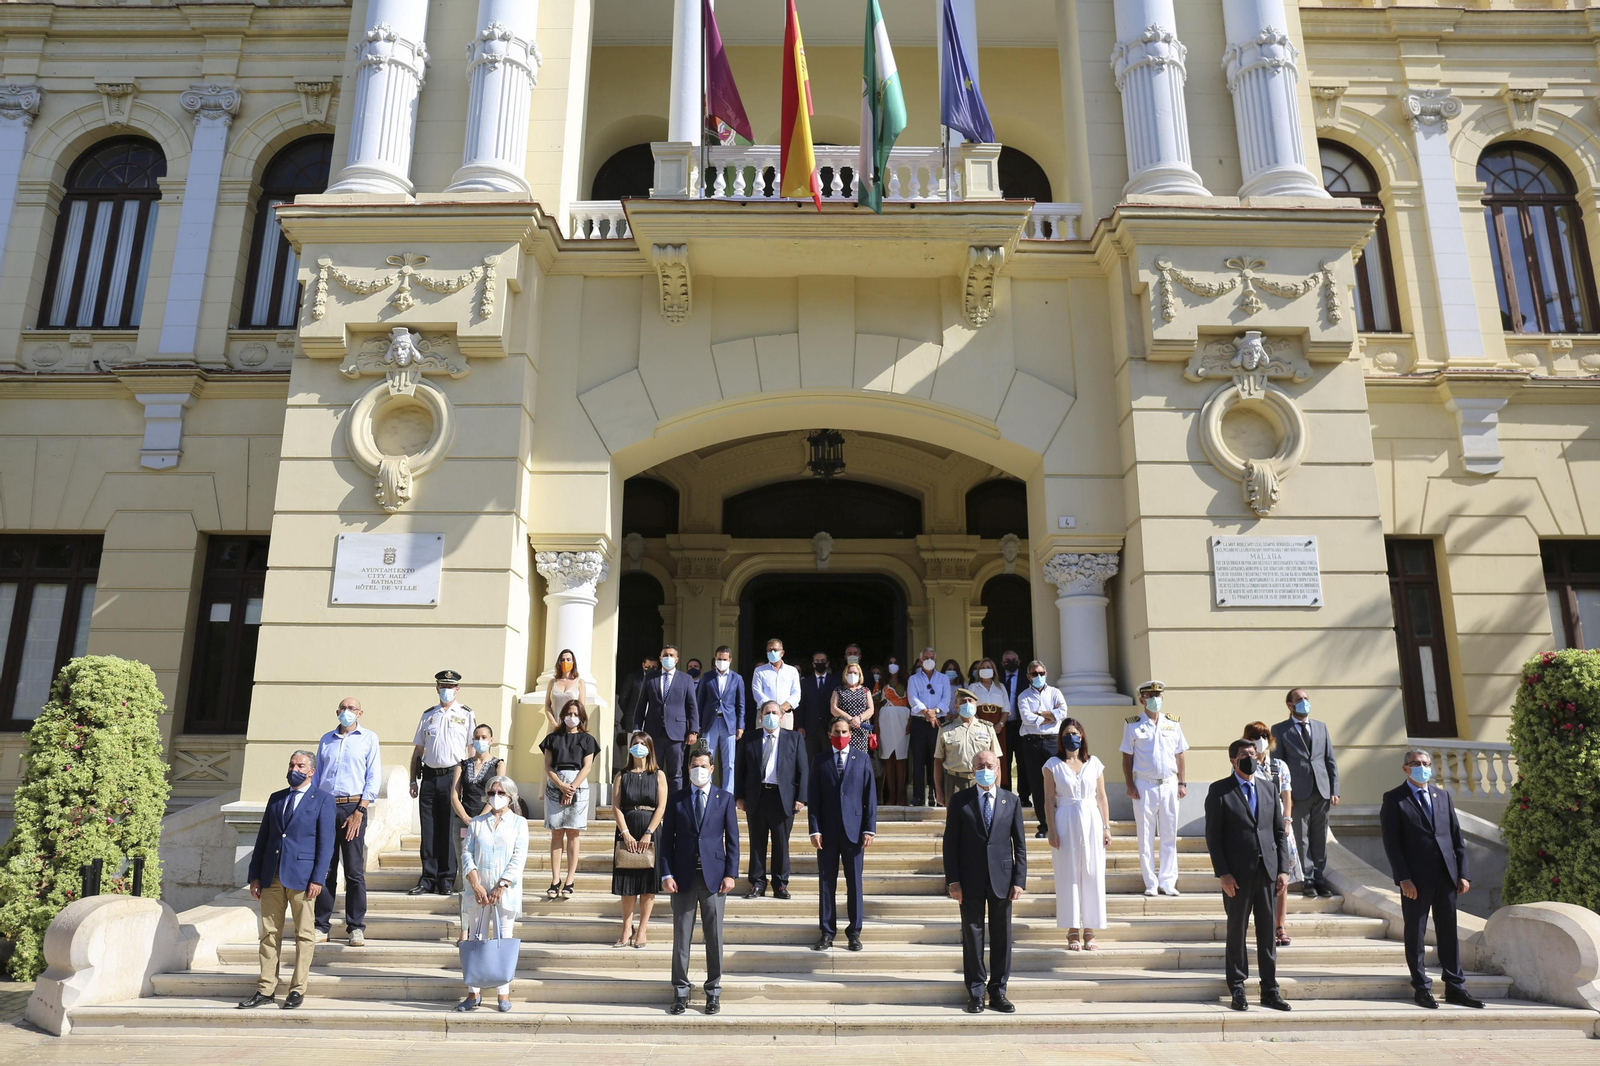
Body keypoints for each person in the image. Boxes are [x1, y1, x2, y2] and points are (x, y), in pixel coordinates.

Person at [1380, 749, 1484, 1010]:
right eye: (1416, 763)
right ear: (1406, 768)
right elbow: (1392, 844)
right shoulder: (1394, 799)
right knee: (1415, 932)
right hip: (1415, 880)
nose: (1422, 768)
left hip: (1446, 877)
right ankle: (1422, 987)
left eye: (1426, 764)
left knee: (1448, 931)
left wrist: (1463, 873)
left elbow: (1456, 838)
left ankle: (1455, 986)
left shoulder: (1442, 796)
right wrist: (1404, 878)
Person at [238, 750, 336, 1010]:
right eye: (292, 764)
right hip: (272, 875)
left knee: (304, 934)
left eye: (300, 765)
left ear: (311, 771)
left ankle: (297, 989)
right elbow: (263, 839)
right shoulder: (276, 798)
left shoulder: (323, 800)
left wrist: (318, 878)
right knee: (269, 933)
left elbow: (326, 844)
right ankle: (266, 988)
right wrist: (255, 875)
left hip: (303, 878)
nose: (295, 768)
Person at [1204, 739, 1293, 1013]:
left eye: (1253, 754)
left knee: (1267, 934)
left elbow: (1279, 832)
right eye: (1243, 754)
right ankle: (1238, 988)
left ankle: (1270, 990)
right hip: (1237, 876)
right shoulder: (1220, 791)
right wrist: (1224, 874)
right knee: (1237, 931)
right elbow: (1213, 837)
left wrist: (1282, 869)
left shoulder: (1268, 788)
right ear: (1233, 760)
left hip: (1266, 873)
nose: (1249, 758)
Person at [943, 750, 1026, 1014]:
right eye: (980, 765)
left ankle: (998, 990)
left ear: (999, 767)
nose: (985, 769)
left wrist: (1019, 879)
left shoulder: (1011, 801)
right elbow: (950, 844)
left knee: (1002, 936)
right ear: (972, 769)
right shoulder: (960, 801)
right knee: (973, 936)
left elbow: (1020, 845)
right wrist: (953, 881)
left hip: (1002, 879)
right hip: (970, 879)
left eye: (989, 765)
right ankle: (976, 991)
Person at [660, 749, 739, 1016]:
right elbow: (665, 841)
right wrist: (666, 873)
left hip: (714, 879)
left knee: (714, 937)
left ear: (712, 768)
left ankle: (713, 991)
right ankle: (680, 991)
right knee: (681, 938)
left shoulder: (724, 799)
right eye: (694, 765)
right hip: (682, 878)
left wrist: (731, 873)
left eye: (703, 765)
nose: (698, 769)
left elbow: (733, 841)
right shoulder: (677, 799)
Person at [455, 775, 528, 1013]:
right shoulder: (476, 822)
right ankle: (472, 992)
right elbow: (467, 854)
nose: (496, 797)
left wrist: (502, 885)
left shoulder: (519, 823)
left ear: (510, 796)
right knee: (475, 939)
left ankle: (503, 993)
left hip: (505, 892)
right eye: (492, 793)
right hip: (478, 891)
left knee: (503, 939)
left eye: (501, 793)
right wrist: (476, 884)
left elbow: (519, 857)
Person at [313, 695, 380, 947]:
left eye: (352, 708)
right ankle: (321, 925)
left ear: (360, 713)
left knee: (353, 871)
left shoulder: (369, 739)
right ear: (336, 711)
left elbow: (373, 777)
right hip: (326, 806)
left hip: (353, 807)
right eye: (343, 707)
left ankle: (355, 927)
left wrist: (360, 810)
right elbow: (317, 776)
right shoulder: (326, 740)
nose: (347, 711)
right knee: (326, 867)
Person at [809, 717, 877, 952]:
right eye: (836, 731)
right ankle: (827, 932)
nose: (841, 735)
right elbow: (814, 799)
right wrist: (814, 829)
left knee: (854, 884)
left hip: (854, 832)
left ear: (850, 733)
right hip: (827, 833)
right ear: (830, 734)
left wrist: (869, 829)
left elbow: (870, 797)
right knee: (827, 883)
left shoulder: (862, 759)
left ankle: (854, 933)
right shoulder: (820, 760)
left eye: (844, 731)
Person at [1044, 719, 1110, 950]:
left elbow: (1101, 797)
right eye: (1066, 733)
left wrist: (1106, 826)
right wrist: (1051, 829)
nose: (1071, 736)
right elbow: (1049, 800)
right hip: (1066, 819)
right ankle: (1072, 930)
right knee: (1069, 874)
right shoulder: (1053, 764)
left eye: (1075, 732)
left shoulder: (1094, 763)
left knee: (1092, 873)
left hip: (1092, 819)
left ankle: (1090, 929)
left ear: (1082, 736)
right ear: (1061, 738)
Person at [409, 669, 476, 895]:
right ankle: (427, 878)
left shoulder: (466, 714)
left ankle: (447, 878)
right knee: (428, 829)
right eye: (443, 686)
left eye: (451, 687)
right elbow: (418, 750)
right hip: (429, 776)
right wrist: (412, 780)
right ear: (437, 688)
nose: (446, 690)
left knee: (449, 829)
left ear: (457, 689)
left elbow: (471, 749)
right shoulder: (428, 715)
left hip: (453, 777)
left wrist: (469, 781)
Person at [1120, 680, 1189, 896]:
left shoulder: (1173, 723)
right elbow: (1126, 757)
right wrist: (1129, 784)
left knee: (1169, 835)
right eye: (1150, 696)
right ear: (1142, 700)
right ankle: (1150, 882)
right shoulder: (1132, 724)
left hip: (1169, 783)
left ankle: (1168, 881)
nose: (1155, 700)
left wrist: (1182, 782)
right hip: (1144, 785)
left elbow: (1180, 755)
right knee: (1145, 835)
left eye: (1158, 696)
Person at [735, 700, 808, 899]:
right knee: (757, 841)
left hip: (782, 797)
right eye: (767, 712)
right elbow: (740, 769)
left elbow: (803, 769)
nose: (771, 715)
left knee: (781, 842)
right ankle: (757, 883)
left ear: (782, 716)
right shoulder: (749, 738)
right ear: (760, 716)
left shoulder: (794, 738)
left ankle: (780, 884)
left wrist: (801, 797)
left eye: (775, 712)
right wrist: (739, 796)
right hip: (756, 797)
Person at [1272, 688, 1340, 900]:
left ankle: (1320, 877)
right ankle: (1307, 879)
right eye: (1299, 699)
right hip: (1297, 792)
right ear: (1290, 705)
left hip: (1322, 790)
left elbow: (1330, 760)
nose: (1304, 702)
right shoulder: (1280, 729)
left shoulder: (1320, 727)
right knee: (1301, 838)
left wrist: (1334, 789)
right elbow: (1278, 765)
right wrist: (1281, 795)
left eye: (1306, 699)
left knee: (1319, 836)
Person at [1243, 721, 1300, 946]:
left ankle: (1280, 926)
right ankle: (1261, 926)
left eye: (1265, 735)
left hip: (1280, 826)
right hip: (1257, 826)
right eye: (1256, 736)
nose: (1261, 740)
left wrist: (1287, 820)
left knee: (1282, 877)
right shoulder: (1243, 764)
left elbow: (1286, 795)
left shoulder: (1279, 765)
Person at [612, 731, 668, 948]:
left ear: (650, 748)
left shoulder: (658, 775)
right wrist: (625, 832)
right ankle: (627, 928)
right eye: (635, 743)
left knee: (647, 885)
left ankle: (642, 930)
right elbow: (616, 806)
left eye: (642, 744)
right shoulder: (621, 775)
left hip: (650, 829)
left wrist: (648, 832)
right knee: (627, 884)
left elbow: (661, 806)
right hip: (627, 829)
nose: (638, 747)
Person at [540, 699, 600, 900]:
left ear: (581, 717)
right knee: (556, 833)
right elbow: (548, 766)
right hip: (556, 783)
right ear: (562, 715)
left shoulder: (587, 739)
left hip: (578, 785)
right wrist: (561, 786)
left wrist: (572, 787)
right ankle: (555, 878)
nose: (571, 717)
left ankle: (570, 879)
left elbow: (587, 767)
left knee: (573, 833)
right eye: (568, 713)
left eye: (576, 714)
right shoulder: (552, 738)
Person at [635, 644, 699, 792]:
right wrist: (637, 728)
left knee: (675, 773)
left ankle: (674, 807)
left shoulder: (686, 679)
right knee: (651, 771)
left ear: (677, 659)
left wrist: (693, 731)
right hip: (653, 732)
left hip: (677, 734)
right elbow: (641, 704)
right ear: (660, 658)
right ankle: (653, 804)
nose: (668, 658)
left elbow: (692, 706)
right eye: (665, 655)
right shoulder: (650, 678)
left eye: (671, 655)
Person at [1017, 660, 1068, 838]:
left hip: (1053, 741)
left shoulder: (1055, 692)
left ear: (1045, 674)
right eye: (1034, 674)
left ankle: (1061, 823)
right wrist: (1050, 715)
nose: (1038, 676)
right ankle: (1044, 825)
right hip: (1032, 743)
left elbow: (1063, 713)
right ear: (1028, 676)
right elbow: (1026, 718)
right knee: (1038, 785)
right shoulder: (1023, 696)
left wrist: (1039, 713)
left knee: (1060, 782)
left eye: (1041, 673)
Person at [452, 723, 504, 891]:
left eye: (483, 737)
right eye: (476, 738)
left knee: (486, 866)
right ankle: (464, 915)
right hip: (463, 821)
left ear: (491, 740)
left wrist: (480, 819)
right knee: (464, 868)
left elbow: (498, 793)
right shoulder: (463, 765)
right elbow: (454, 795)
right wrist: (466, 818)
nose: (479, 741)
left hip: (488, 821)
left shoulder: (498, 764)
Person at [934, 688, 1002, 805]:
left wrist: (997, 789)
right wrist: (939, 791)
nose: (967, 704)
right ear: (956, 707)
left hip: (981, 781)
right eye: (963, 702)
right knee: (955, 822)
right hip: (954, 781)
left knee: (981, 820)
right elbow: (938, 761)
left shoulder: (987, 728)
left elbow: (997, 761)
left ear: (976, 705)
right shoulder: (945, 729)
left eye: (970, 701)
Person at [697, 646, 746, 790]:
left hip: (728, 723)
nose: (721, 662)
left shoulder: (737, 678)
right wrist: (698, 724)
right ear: (715, 659)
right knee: (706, 759)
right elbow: (700, 702)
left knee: (729, 762)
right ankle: (707, 791)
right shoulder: (707, 677)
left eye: (724, 659)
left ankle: (728, 794)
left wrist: (740, 726)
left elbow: (740, 704)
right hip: (709, 723)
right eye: (719, 659)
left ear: (730, 660)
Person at [907, 647, 951, 806]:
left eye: (932, 657)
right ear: (920, 660)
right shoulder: (913, 679)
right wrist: (927, 712)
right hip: (919, 722)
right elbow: (913, 699)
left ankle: (937, 795)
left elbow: (946, 699)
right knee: (918, 760)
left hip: (938, 722)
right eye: (926, 657)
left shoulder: (943, 678)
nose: (929, 660)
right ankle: (918, 796)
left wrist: (935, 712)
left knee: (937, 759)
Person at [968, 658, 1012, 788]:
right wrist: (981, 724)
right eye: (983, 667)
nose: (986, 669)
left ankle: (1000, 785)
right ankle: (980, 784)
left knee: (999, 756)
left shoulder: (1000, 687)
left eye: (989, 667)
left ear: (993, 670)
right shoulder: (973, 687)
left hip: (998, 725)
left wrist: (1000, 724)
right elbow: (971, 708)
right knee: (981, 755)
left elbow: (1006, 708)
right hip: (980, 723)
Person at [876, 657, 910, 806]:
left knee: (901, 758)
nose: (893, 665)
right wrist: (876, 724)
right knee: (888, 758)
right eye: (890, 663)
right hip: (885, 720)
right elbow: (876, 704)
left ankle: (900, 796)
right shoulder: (881, 683)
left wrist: (911, 722)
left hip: (903, 720)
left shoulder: (908, 682)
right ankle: (891, 795)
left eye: (895, 663)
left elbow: (912, 704)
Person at [751, 637, 801, 731]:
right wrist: (771, 709)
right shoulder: (759, 671)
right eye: (770, 650)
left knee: (785, 743)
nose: (772, 652)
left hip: (785, 715)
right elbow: (757, 692)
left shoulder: (792, 671)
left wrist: (781, 709)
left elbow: (796, 694)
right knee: (763, 743)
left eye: (775, 650)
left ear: (782, 653)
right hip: (765, 714)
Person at [798, 650, 839, 762]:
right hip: (810, 728)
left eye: (822, 661)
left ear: (827, 663)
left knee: (829, 759)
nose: (819, 663)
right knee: (811, 759)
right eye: (817, 661)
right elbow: (801, 706)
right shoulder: (805, 683)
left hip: (829, 727)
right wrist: (800, 726)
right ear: (813, 664)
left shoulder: (835, 682)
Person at [999, 651, 1028, 805]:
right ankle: (1006, 795)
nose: (1010, 662)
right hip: (1003, 726)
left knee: (1022, 762)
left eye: (1013, 660)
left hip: (1022, 726)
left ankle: (1024, 797)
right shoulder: (998, 679)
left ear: (1019, 661)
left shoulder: (1026, 678)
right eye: (1007, 660)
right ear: (1002, 662)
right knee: (1004, 761)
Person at [830, 660, 875, 752]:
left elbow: (871, 709)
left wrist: (859, 719)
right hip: (844, 729)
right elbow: (834, 708)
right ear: (845, 674)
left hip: (861, 729)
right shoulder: (838, 690)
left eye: (855, 673)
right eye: (850, 672)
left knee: (860, 757)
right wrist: (850, 719)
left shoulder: (866, 690)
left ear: (860, 675)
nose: (852, 675)